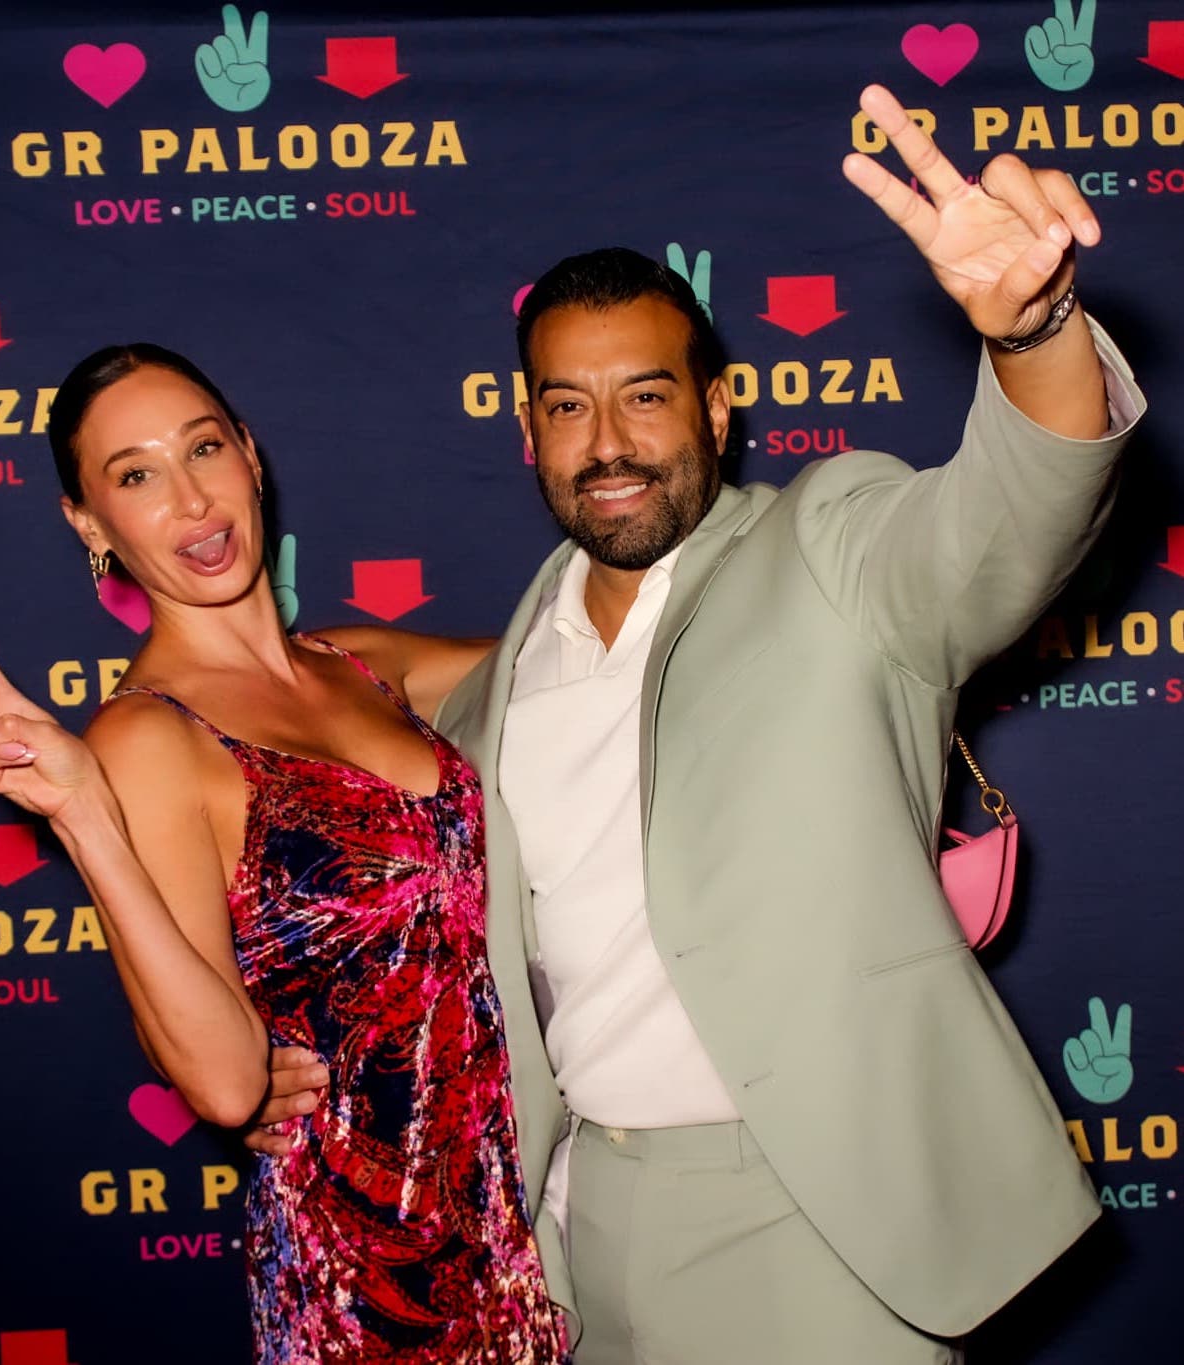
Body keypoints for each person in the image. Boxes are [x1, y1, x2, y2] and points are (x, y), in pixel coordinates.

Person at [251, 85, 1146, 1362]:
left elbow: (1010, 522)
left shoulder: (832, 546)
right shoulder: (502, 681)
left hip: (819, 1217)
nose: (608, 444)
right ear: (527, 432)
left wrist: (1036, 330)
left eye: (646, 396)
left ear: (717, 409)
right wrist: (290, 1072)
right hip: (577, 1223)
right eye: (568, 405)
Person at [0, 344, 566, 1364]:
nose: (191, 500)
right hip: (369, 1283)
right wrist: (84, 815)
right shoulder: (146, 738)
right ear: (88, 523)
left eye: (202, 449)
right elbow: (231, 1084)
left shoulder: (366, 663)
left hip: (528, 1233)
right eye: (136, 475)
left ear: (249, 455)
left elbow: (600, 658)